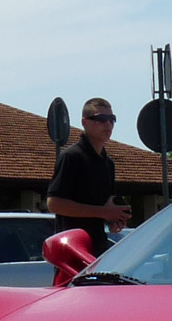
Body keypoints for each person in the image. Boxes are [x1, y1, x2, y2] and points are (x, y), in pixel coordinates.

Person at [47, 98, 130, 255]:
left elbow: (105, 208)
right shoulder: (71, 157)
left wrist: (114, 220)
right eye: (101, 119)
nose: (108, 124)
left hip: (97, 249)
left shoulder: (108, 163)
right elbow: (54, 204)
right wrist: (103, 212)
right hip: (72, 250)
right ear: (84, 122)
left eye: (112, 119)